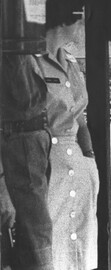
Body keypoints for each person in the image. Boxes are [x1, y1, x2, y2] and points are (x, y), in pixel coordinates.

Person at [38, 0, 100, 269]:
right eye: (80, 17)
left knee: (78, 249)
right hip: (46, 171)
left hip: (78, 164)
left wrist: (89, 160)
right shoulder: (30, 64)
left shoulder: (70, 61)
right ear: (68, 18)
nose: (82, 25)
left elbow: (81, 117)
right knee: (50, 249)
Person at [1, 54, 51, 270]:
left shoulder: (20, 44)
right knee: (36, 232)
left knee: (35, 230)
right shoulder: (10, 46)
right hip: (18, 140)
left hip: (31, 139)